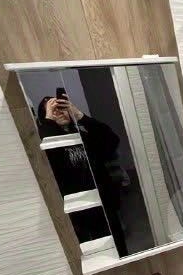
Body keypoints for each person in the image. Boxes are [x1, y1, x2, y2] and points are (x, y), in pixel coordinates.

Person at [37, 95, 128, 256]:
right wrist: (48, 119)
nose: (59, 112)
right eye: (53, 109)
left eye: (61, 107)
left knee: (117, 245)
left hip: (103, 201)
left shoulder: (84, 135)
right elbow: (46, 159)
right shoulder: (48, 140)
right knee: (91, 252)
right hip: (76, 208)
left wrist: (79, 115)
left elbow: (112, 141)